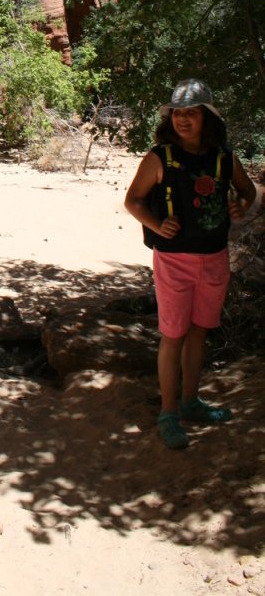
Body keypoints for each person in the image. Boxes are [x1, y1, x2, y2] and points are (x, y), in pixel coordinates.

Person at [125, 80, 256, 450]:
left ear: (206, 117)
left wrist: (241, 206)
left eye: (191, 113)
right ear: (170, 118)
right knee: (174, 334)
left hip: (215, 259)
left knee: (198, 332)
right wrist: (156, 225)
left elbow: (247, 190)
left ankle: (191, 401)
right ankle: (169, 412)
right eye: (177, 113)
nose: (183, 119)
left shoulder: (223, 157)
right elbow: (133, 201)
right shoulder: (160, 157)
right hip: (173, 262)